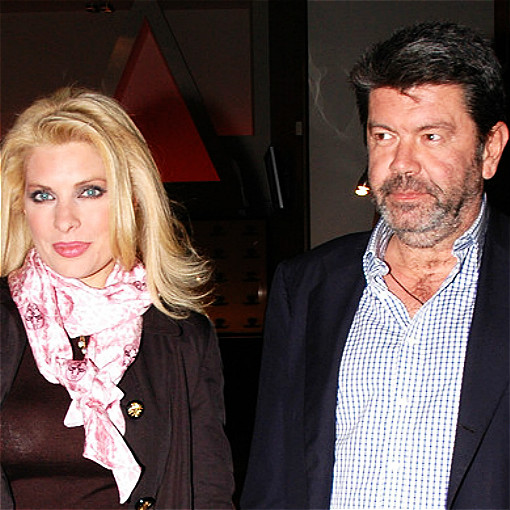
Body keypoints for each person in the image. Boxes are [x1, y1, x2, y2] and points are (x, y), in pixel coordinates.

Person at [241, 21, 509, 510]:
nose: (402, 164)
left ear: (489, 149)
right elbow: (274, 473)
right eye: (384, 136)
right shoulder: (306, 285)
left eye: (431, 136)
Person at [0, 87, 234, 509]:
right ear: (21, 206)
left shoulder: (181, 335)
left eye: (90, 191)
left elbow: (208, 492)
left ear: (133, 198)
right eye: (43, 195)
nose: (65, 220)